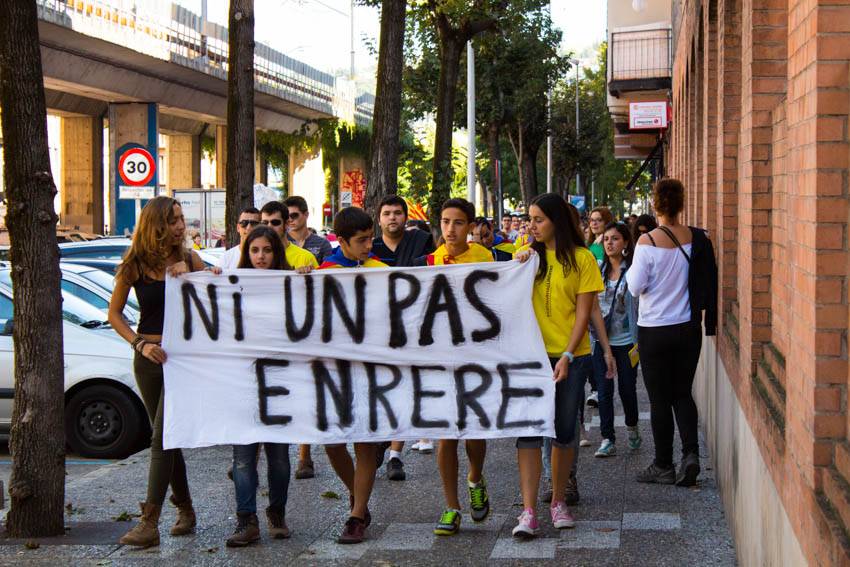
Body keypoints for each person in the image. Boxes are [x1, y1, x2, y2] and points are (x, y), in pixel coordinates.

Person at [108, 196, 207, 548]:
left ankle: (149, 522)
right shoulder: (134, 263)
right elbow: (114, 314)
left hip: (183, 359)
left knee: (163, 437)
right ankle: (185, 509)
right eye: (175, 219)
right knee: (167, 436)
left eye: (182, 218)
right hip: (149, 358)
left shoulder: (189, 258)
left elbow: (219, 289)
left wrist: (196, 273)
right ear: (157, 224)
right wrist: (139, 344)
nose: (182, 225)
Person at [511, 193, 606, 539]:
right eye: (529, 219)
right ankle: (529, 510)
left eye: (538, 219)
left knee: (564, 432)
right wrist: (519, 262)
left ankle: (559, 501)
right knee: (529, 433)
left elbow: (584, 314)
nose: (531, 226)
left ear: (556, 222)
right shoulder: (526, 258)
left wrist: (567, 355)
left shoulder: (582, 259)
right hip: (530, 358)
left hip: (572, 357)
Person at [626, 178, 717, 487]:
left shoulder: (647, 242)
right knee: (682, 392)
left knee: (659, 398)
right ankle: (690, 455)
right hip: (688, 327)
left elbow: (636, 287)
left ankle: (663, 464)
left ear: (655, 205)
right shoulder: (696, 238)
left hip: (654, 330)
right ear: (682, 204)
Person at [412, 198, 493, 537]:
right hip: (440, 360)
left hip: (476, 357)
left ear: (471, 226)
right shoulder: (428, 262)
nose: (450, 229)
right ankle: (451, 506)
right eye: (445, 221)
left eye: (458, 222)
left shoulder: (486, 259)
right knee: (446, 435)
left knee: (473, 431)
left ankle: (475, 477)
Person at [225, 225, 307, 547]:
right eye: (255, 250)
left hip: (279, 382)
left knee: (279, 457)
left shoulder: (290, 284)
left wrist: (304, 280)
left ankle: (277, 512)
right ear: (247, 253)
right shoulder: (233, 285)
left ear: (277, 253)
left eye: (267, 250)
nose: (261, 257)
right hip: (242, 381)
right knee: (243, 457)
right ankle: (246, 520)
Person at [318, 206, 389, 544]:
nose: (368, 246)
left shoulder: (380, 270)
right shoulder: (324, 271)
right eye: (361, 241)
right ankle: (356, 495)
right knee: (332, 442)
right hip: (334, 370)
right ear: (341, 241)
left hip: (370, 370)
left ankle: (357, 514)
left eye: (370, 238)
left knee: (364, 442)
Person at [369, 195, 436, 480]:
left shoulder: (420, 242)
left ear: (406, 217)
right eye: (387, 213)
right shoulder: (370, 247)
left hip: (412, 329)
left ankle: (395, 454)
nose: (392, 218)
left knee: (404, 389)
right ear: (379, 218)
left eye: (398, 213)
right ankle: (381, 442)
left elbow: (437, 272)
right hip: (376, 330)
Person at [591, 222, 641, 458]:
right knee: (603, 391)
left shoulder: (632, 272)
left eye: (615, 239)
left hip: (627, 342)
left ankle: (632, 427)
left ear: (625, 244)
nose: (609, 243)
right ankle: (607, 437)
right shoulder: (596, 271)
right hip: (602, 343)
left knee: (627, 390)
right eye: (607, 239)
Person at [284, 196, 333, 264]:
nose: (290, 219)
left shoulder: (322, 244)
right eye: (286, 216)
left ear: (306, 215)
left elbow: (327, 271)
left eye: (294, 215)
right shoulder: (280, 242)